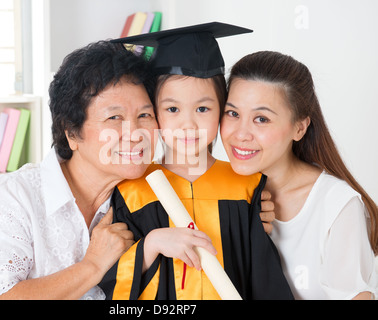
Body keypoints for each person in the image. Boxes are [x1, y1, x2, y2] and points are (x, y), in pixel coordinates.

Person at [99, 23, 294, 300]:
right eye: (172, 109)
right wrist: (150, 246)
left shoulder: (247, 187)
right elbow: (112, 281)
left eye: (203, 108)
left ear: (223, 111)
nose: (188, 124)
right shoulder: (131, 190)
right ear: (153, 112)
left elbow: (264, 280)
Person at [0, 41, 158, 300]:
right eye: (114, 118)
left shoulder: (153, 191)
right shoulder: (19, 195)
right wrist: (93, 266)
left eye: (145, 115)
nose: (135, 134)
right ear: (72, 132)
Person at [220, 50, 378, 299]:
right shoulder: (217, 193)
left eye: (261, 119)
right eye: (233, 113)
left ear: (299, 127)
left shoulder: (337, 207)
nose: (241, 134)